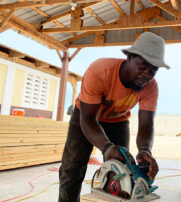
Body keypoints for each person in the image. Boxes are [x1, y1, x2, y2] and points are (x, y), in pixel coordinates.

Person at [59, 32, 170, 202]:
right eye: (142, 67)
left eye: (153, 70)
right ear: (130, 57)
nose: (147, 75)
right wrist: (106, 147)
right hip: (85, 117)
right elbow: (88, 119)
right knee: (72, 169)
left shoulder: (151, 87)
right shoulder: (100, 71)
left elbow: (146, 125)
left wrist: (145, 150)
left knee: (122, 173)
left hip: (118, 121)